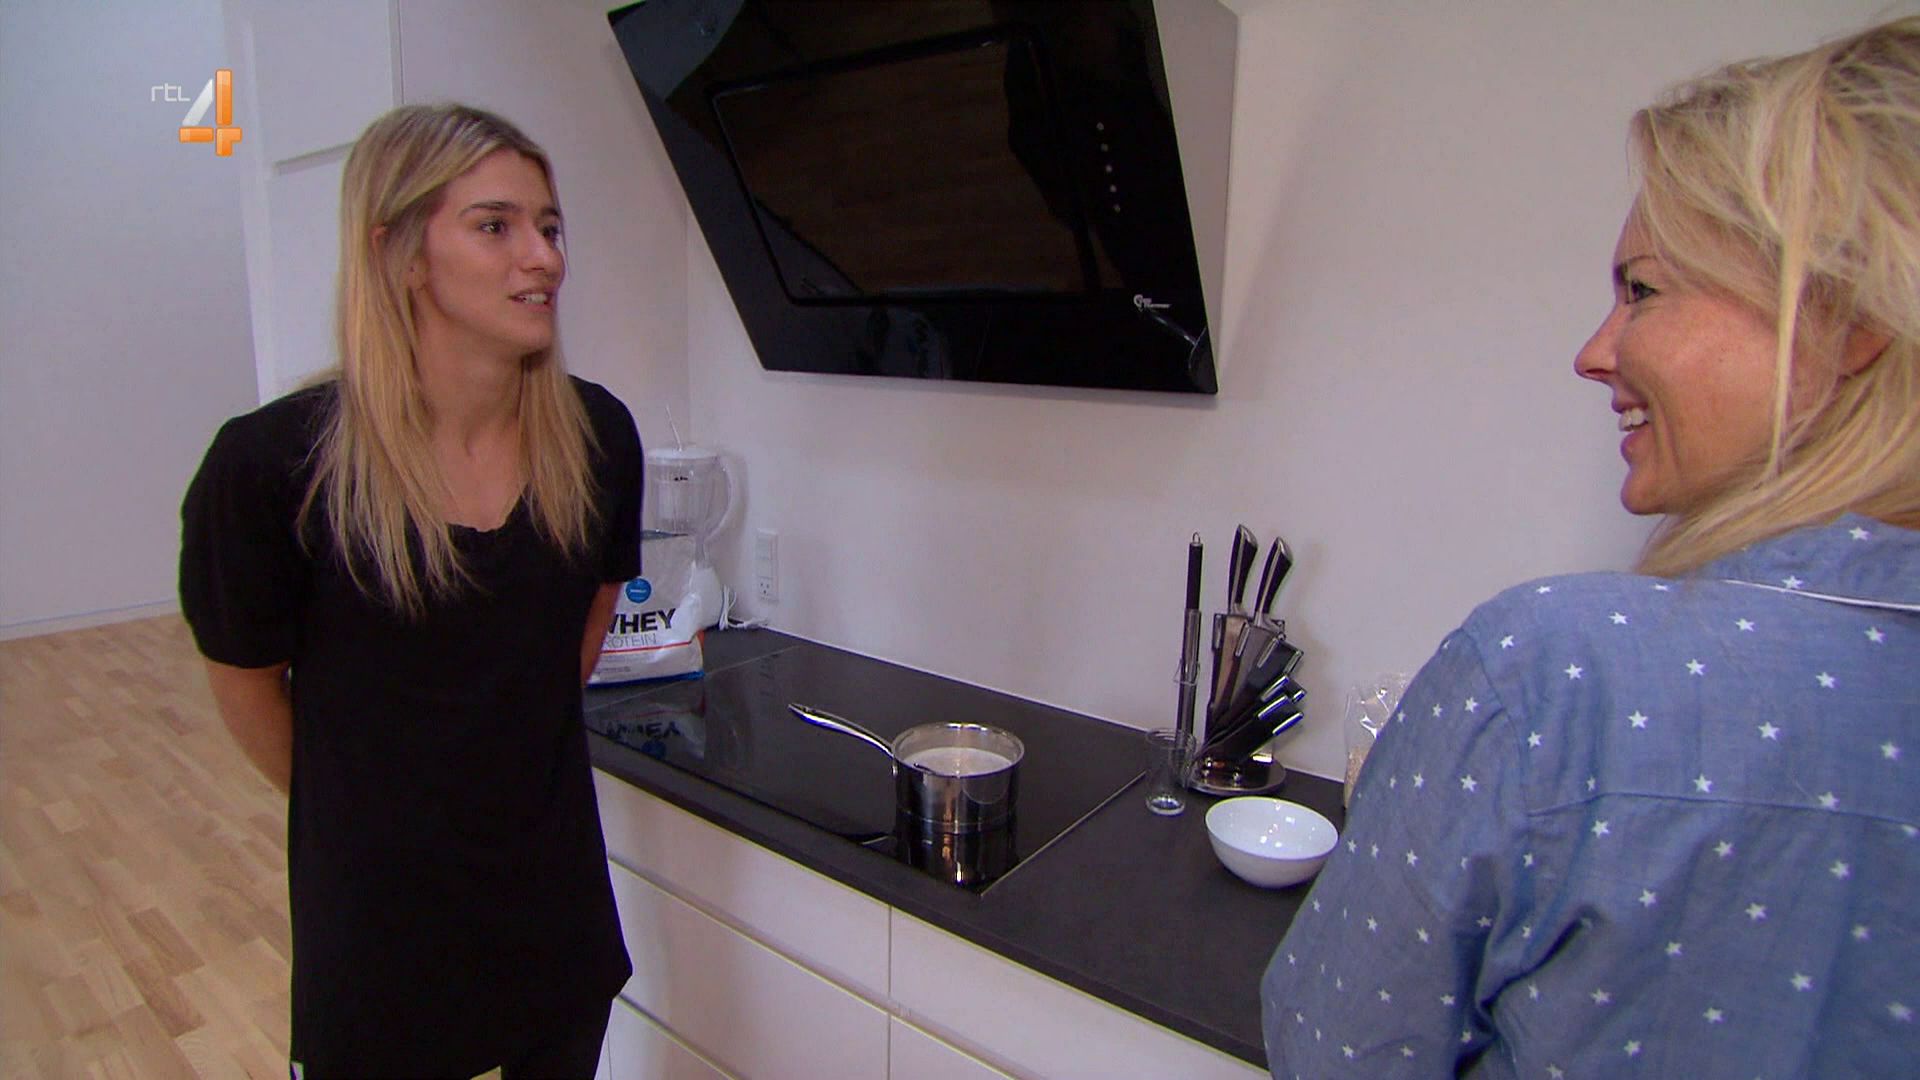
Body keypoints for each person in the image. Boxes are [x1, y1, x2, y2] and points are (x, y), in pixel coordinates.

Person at [1262, 17, 1920, 1079]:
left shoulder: (1556, 675)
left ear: (1844, 315)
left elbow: (1339, 1049)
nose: (1594, 351)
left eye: (1643, 290)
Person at [179, 104, 641, 1078]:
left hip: (553, 908)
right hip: (379, 928)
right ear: (400, 253)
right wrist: (382, 804)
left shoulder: (597, 437)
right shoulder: (274, 466)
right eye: (495, 225)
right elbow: (249, 687)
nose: (544, 258)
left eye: (549, 226)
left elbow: (579, 629)